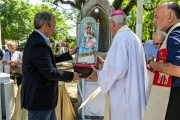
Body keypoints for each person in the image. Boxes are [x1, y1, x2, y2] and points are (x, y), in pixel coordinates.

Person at [87, 10, 148, 120]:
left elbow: (118, 69)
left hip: (125, 96)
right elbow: (126, 65)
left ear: (113, 23)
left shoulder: (120, 38)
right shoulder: (134, 37)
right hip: (135, 93)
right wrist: (105, 63)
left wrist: (99, 75)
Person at [21, 11, 81, 120]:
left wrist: (69, 53)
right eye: (54, 26)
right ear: (45, 26)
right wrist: (72, 76)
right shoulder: (37, 43)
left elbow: (48, 60)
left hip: (44, 100)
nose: (55, 29)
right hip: (40, 101)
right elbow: (49, 71)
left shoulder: (37, 40)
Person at [147, 2, 180, 120]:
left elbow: (178, 70)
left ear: (170, 16)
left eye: (157, 17)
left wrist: (152, 63)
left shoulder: (175, 34)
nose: (154, 21)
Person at [144, 31, 165, 97]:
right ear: (153, 40)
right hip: (150, 73)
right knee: (148, 92)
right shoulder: (147, 45)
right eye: (156, 43)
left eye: (161, 44)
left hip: (162, 73)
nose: (159, 46)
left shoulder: (167, 46)